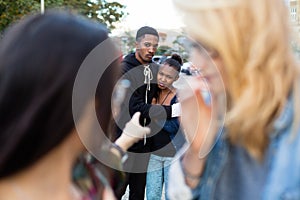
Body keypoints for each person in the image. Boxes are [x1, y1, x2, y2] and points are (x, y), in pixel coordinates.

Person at [0, 11, 150, 200]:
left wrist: (126, 139)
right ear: (88, 104)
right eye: (115, 92)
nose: (116, 109)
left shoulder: (75, 177)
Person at [167, 0, 300, 199]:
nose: (197, 63)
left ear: (255, 40)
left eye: (210, 47)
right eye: (194, 46)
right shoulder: (220, 112)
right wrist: (196, 153)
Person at [115, 26, 181, 200]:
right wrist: (171, 111)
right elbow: (134, 107)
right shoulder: (124, 70)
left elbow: (164, 86)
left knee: (138, 193)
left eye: (155, 45)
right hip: (126, 141)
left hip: (145, 145)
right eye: (147, 44)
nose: (152, 49)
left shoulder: (153, 69)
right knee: (117, 191)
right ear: (137, 44)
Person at [146, 54, 186, 200]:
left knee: (172, 196)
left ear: (175, 79)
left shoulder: (179, 97)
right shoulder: (152, 92)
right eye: (161, 74)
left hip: (173, 156)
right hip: (153, 155)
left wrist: (156, 116)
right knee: (152, 196)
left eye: (168, 77)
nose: (163, 79)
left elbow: (174, 127)